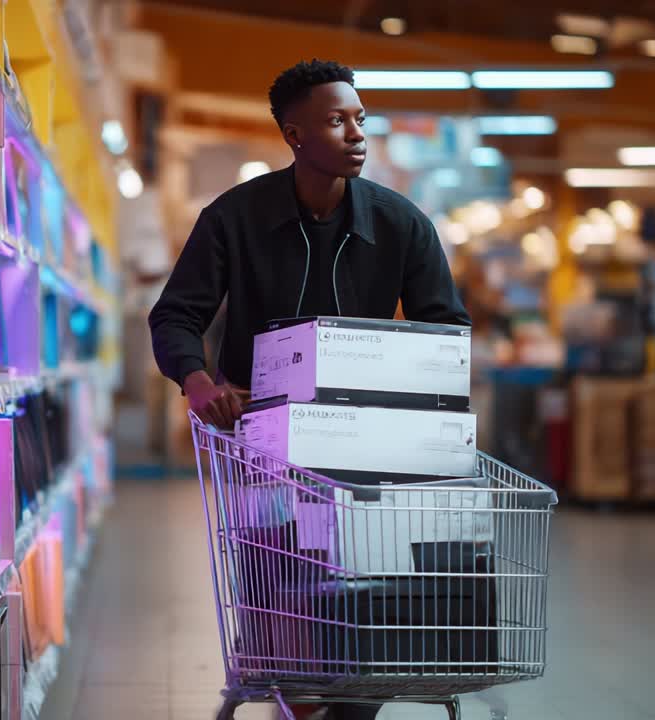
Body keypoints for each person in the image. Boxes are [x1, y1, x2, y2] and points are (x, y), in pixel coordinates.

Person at [148, 60, 471, 720]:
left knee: (364, 613)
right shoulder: (233, 219)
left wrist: (414, 403)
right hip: (264, 451)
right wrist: (200, 380)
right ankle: (300, 693)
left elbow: (446, 329)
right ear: (294, 136)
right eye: (335, 120)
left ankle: (341, 705)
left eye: (360, 119)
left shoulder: (400, 224)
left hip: (370, 456)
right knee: (286, 604)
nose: (356, 133)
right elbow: (176, 313)